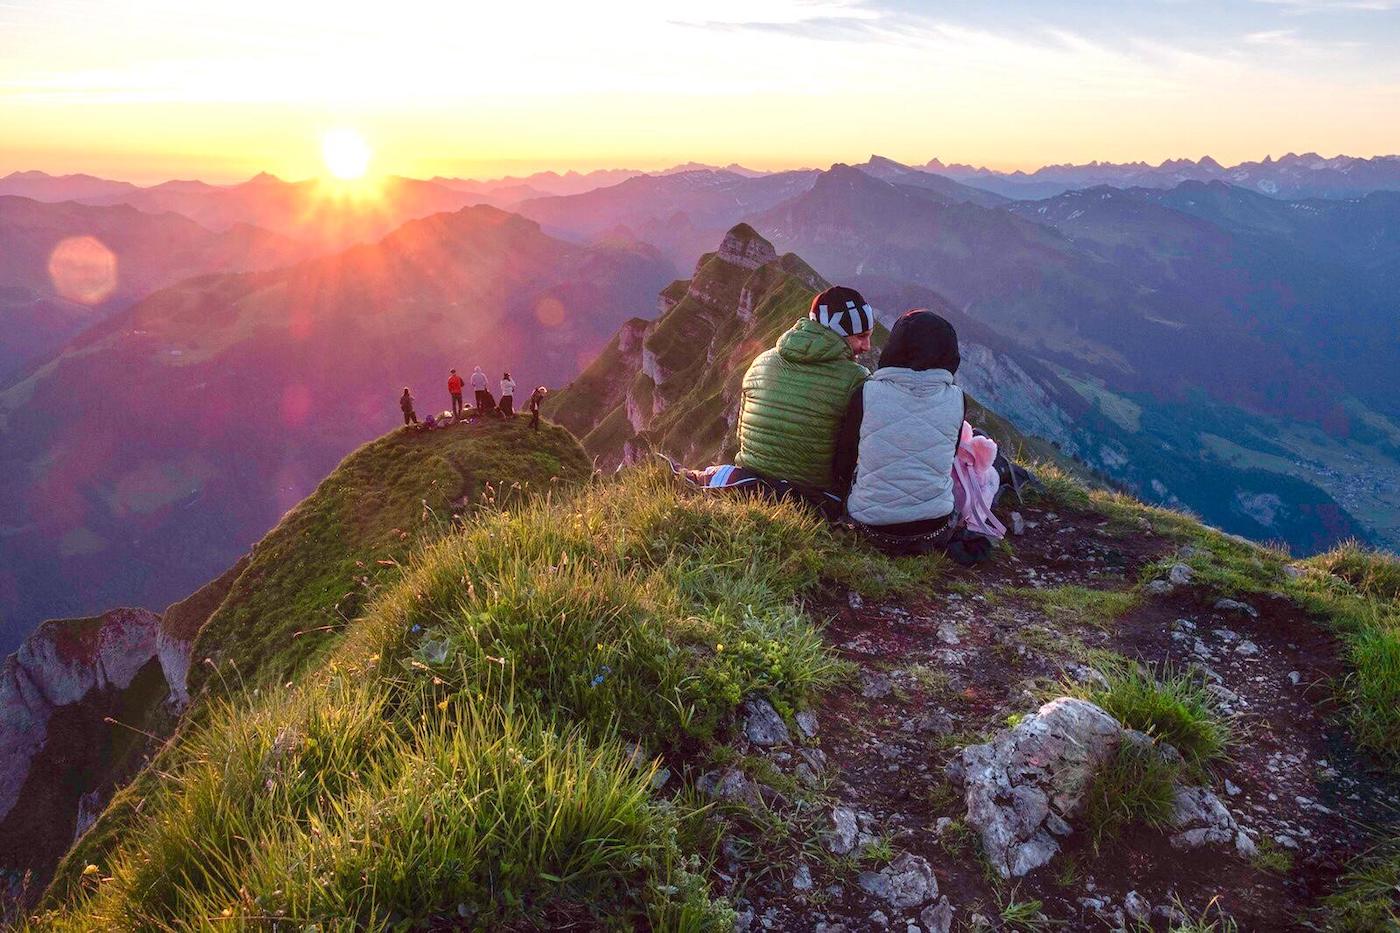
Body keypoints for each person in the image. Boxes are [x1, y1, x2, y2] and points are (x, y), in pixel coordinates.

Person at [834, 308, 966, 555]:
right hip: (935, 527)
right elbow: (951, 455)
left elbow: (845, 458)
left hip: (870, 526)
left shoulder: (866, 393)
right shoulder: (958, 399)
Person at [733, 285, 873, 493]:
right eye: (861, 336)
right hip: (812, 496)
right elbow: (850, 454)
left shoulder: (761, 361)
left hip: (748, 483)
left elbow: (741, 438)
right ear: (838, 333)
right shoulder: (856, 378)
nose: (867, 346)